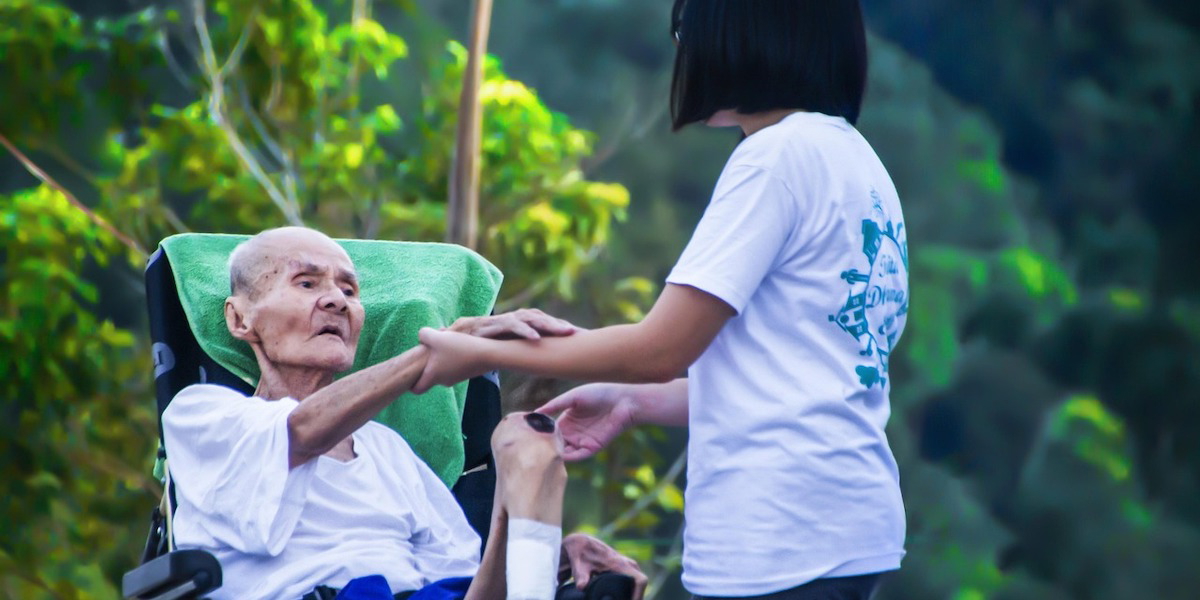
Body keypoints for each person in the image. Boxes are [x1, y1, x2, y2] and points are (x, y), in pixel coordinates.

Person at [412, 1, 908, 598]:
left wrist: (482, 353)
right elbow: (793, 377)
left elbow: (661, 347)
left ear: (745, 33)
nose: (682, 49)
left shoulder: (775, 159)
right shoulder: (858, 162)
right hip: (849, 522)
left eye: (687, 29)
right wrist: (633, 401)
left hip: (779, 532)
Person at [161, 227, 647, 600]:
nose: (337, 300)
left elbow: (466, 582)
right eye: (306, 282)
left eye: (350, 292)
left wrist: (547, 556)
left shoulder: (388, 451)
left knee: (524, 441)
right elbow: (300, 431)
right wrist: (443, 346)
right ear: (239, 318)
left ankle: (530, 530)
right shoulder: (203, 415)